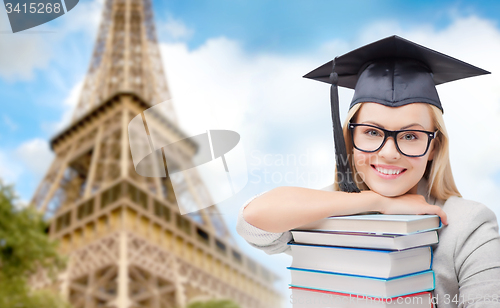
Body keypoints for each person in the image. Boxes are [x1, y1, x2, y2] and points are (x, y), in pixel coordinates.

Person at [236, 36, 500, 307]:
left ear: (434, 146)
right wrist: (378, 203)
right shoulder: (322, 208)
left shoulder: (468, 224)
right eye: (372, 132)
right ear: (350, 139)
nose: (389, 152)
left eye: (410, 136)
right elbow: (253, 220)